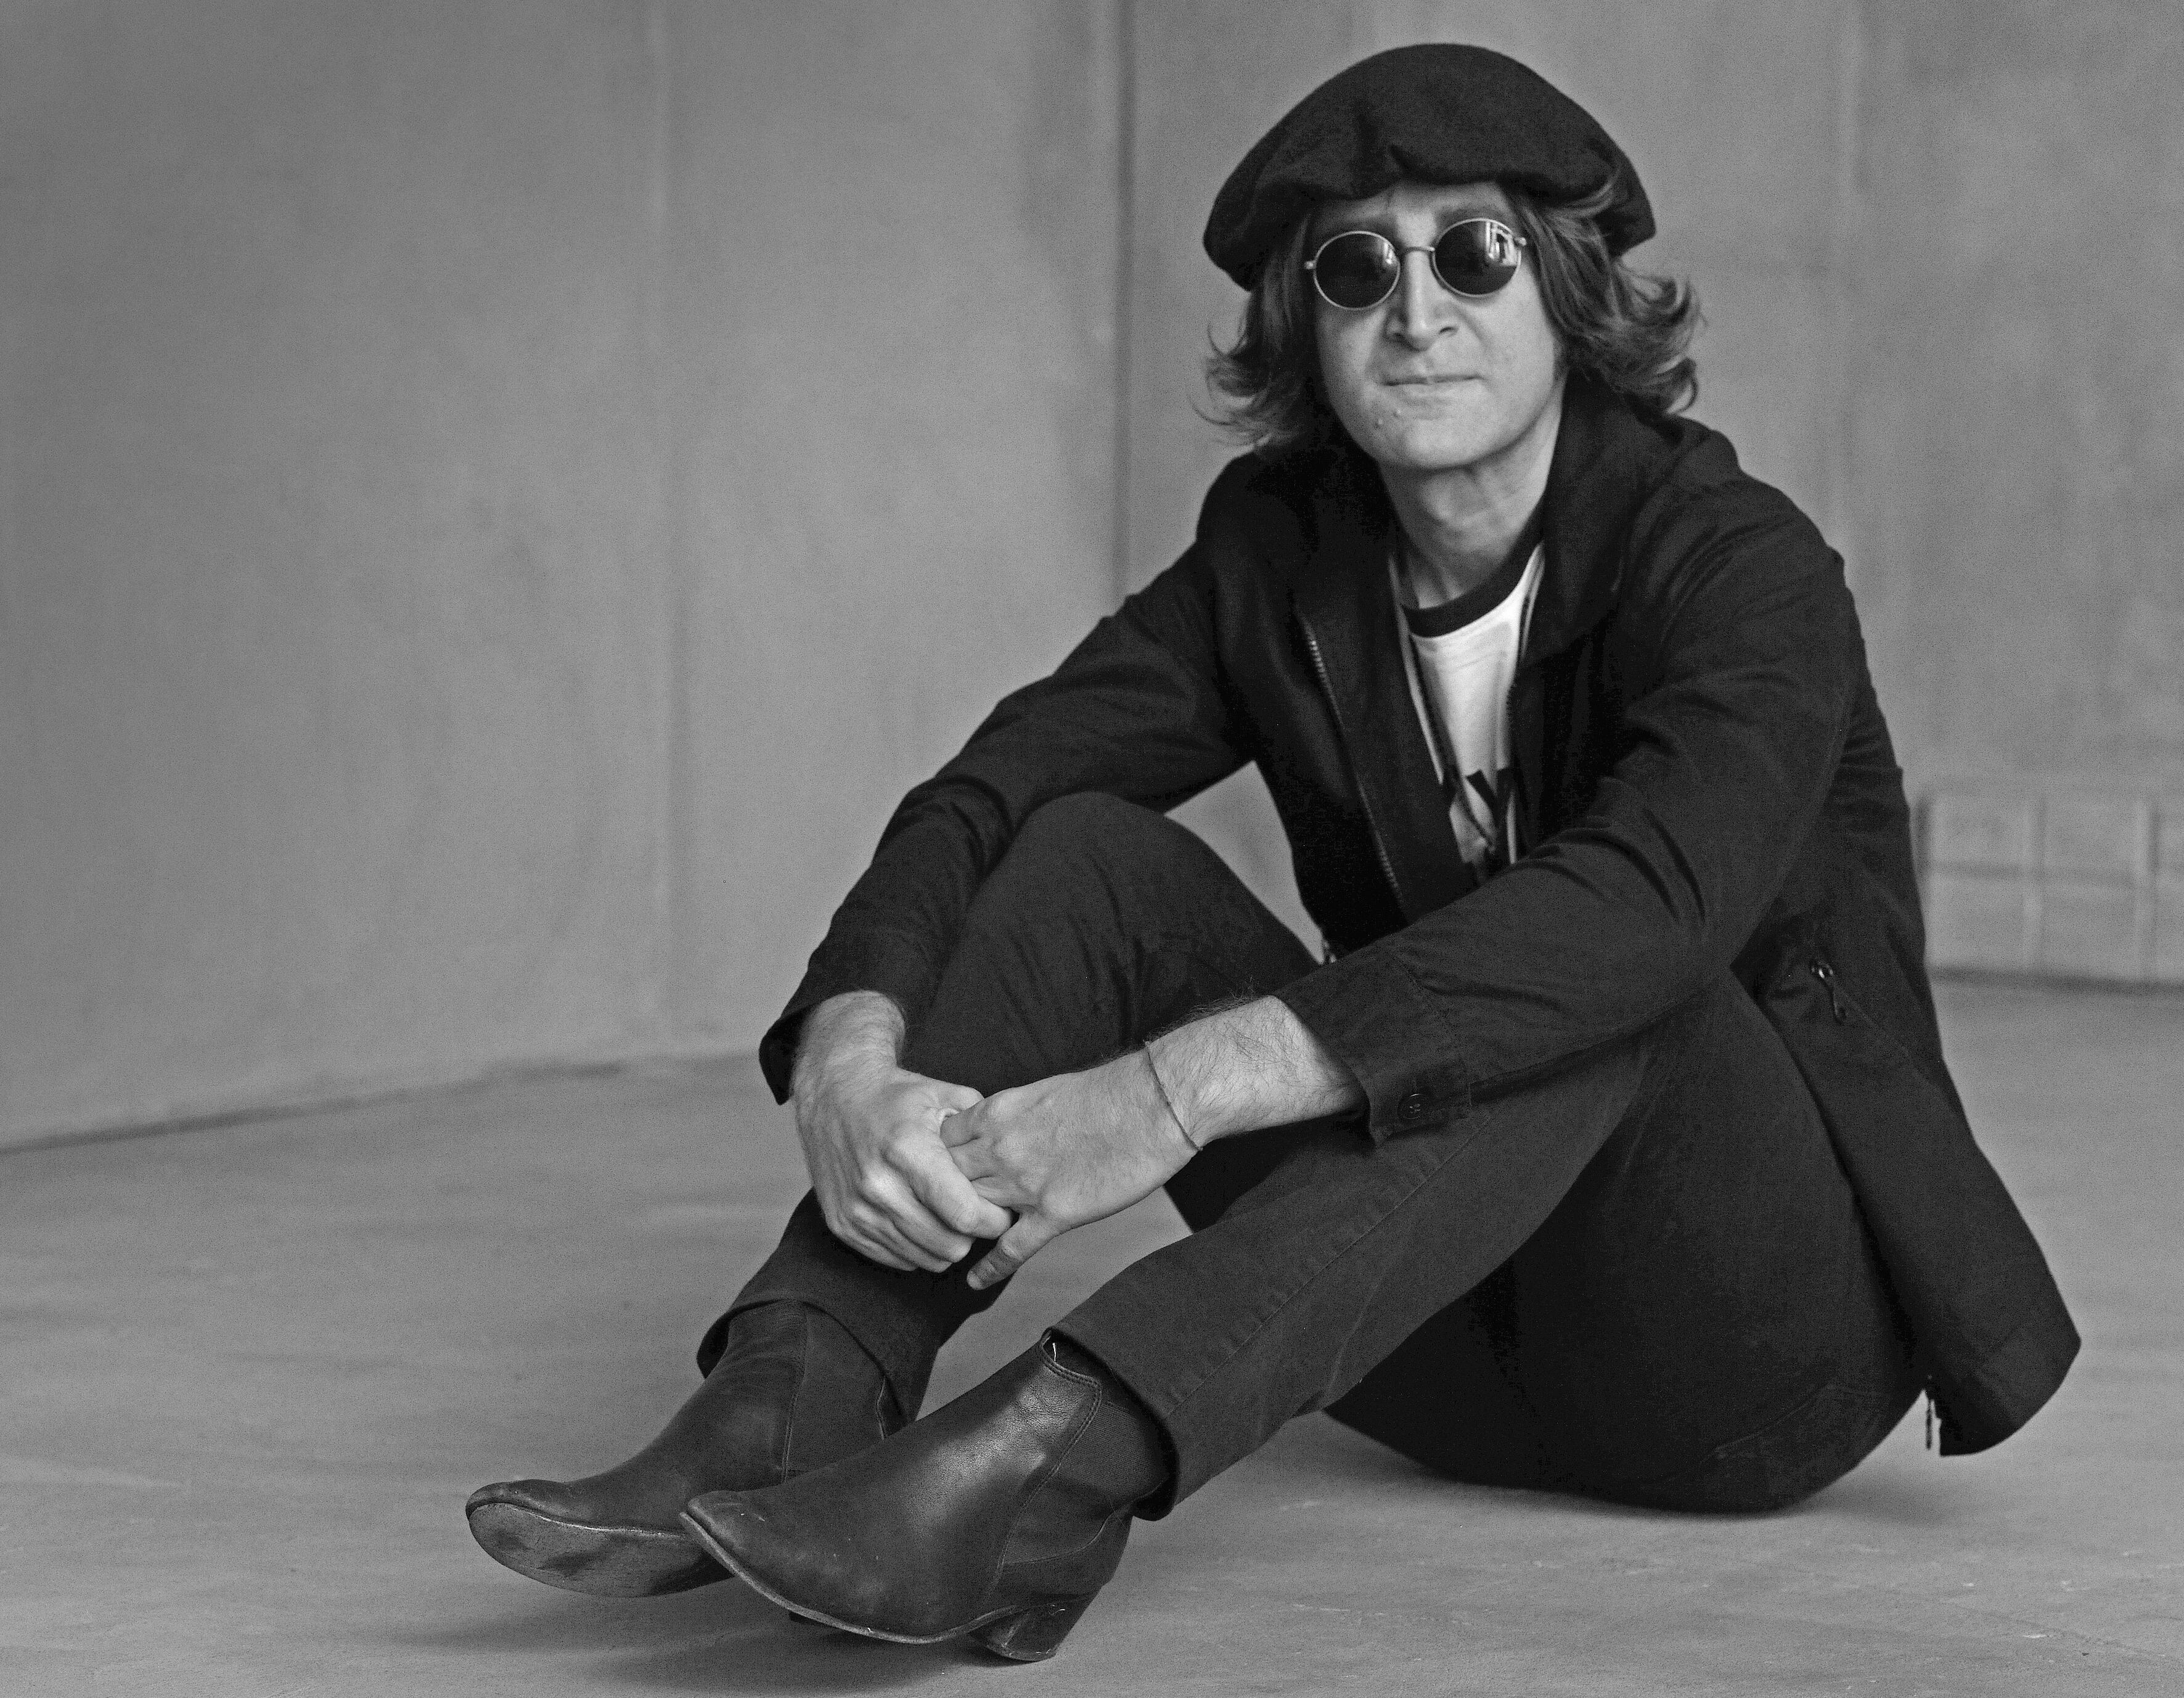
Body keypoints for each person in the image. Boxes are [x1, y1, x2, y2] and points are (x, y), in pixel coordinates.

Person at [465, 44, 2077, 1662]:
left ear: (1568, 290)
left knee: (1598, 969)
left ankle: (1043, 1474)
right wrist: (848, 1052)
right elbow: (998, 789)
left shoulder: (1738, 569)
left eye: (1474, 254)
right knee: (1084, 853)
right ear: (1305, 325)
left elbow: (1648, 908)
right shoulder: (1281, 551)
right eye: (1355, 269)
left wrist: (1162, 1100)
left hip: (1744, 1360)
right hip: (1444, 1336)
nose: (1417, 313)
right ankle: (791, 1390)